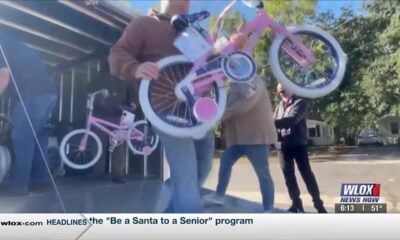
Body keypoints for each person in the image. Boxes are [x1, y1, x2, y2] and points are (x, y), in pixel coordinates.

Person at [109, 0, 246, 212]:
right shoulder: (144, 23)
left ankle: (170, 217)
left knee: (202, 167)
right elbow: (117, 53)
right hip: (165, 110)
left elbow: (210, 63)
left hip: (200, 109)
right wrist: (135, 67)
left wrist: (231, 47)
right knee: (187, 173)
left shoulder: (194, 29)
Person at [204, 76, 277, 212]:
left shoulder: (256, 81)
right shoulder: (235, 83)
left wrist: (218, 115)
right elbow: (228, 104)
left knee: (263, 174)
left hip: (255, 138)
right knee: (225, 162)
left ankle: (268, 208)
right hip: (237, 139)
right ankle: (219, 196)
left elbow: (244, 105)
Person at [0, 31, 57, 195]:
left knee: (21, 137)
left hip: (33, 95)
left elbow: (3, 76)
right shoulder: (12, 42)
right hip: (48, 94)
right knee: (36, 137)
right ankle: (41, 181)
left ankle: (18, 186)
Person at [274, 83, 327, 213]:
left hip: (298, 144)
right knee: (288, 177)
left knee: (306, 174)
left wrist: (271, 123)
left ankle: (319, 205)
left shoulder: (300, 103)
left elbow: (292, 119)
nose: (284, 93)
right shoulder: (278, 107)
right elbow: (274, 124)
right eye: (281, 92)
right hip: (282, 147)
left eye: (285, 90)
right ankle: (297, 204)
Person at [85, 60, 138, 183]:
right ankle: (111, 173)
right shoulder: (102, 77)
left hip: (116, 116)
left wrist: (133, 104)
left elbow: (134, 94)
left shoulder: (101, 77)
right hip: (105, 116)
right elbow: (88, 91)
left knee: (104, 145)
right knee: (104, 144)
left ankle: (108, 173)